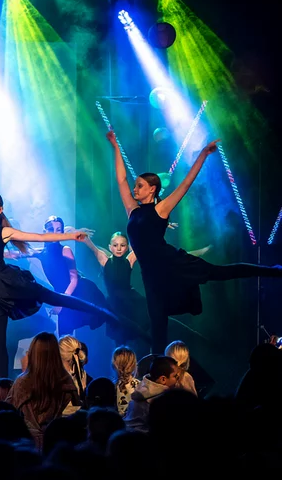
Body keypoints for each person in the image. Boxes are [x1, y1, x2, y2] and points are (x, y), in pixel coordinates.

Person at [0, 163, 123, 378]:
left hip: (9, 283)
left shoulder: (4, 231)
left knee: (56, 298)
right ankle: (2, 386)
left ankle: (103, 312)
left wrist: (71, 236)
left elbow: (39, 237)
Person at [108, 131, 282, 351]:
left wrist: (203, 155)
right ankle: (157, 366)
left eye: (140, 186)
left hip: (174, 264)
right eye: (136, 185)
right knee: (157, 321)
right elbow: (121, 180)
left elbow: (186, 183)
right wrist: (116, 146)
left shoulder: (161, 208)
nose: (135, 189)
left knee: (222, 272)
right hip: (151, 276)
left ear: (152, 189)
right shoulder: (132, 210)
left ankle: (273, 271)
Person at [81, 231, 210, 349]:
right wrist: (78, 235)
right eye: (115, 245)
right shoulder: (104, 260)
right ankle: (121, 362)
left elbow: (143, 239)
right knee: (119, 337)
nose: (119, 248)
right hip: (116, 304)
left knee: (151, 322)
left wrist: (160, 225)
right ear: (110, 247)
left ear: (127, 247)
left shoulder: (129, 260)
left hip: (131, 301)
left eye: (122, 245)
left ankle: (158, 349)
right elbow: (92, 247)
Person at [15, 216, 109, 337]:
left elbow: (74, 280)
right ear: (44, 231)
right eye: (51, 229)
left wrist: (61, 302)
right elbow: (15, 254)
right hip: (62, 295)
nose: (54, 233)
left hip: (80, 293)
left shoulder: (65, 250)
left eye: (58, 230)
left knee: (74, 333)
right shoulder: (39, 252)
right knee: (64, 335)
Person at [5, 332, 81, 449]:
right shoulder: (66, 380)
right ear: (55, 353)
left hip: (28, 445)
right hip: (54, 441)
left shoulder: (22, 382)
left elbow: (7, 410)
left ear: (33, 353)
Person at [122, 355, 181, 433]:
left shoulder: (141, 389)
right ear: (163, 379)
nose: (178, 379)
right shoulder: (160, 400)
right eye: (175, 376)